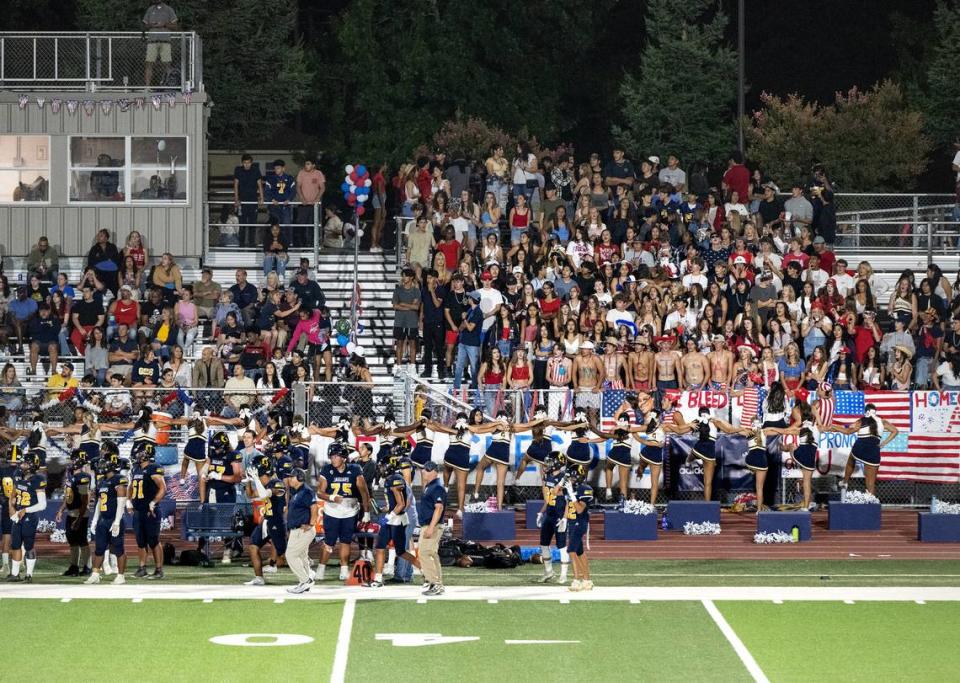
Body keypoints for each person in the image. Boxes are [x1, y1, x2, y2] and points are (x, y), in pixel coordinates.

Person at [316, 442, 371, 582]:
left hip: (350, 511)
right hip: (332, 511)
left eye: (336, 456)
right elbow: (319, 493)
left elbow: (364, 493)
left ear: (343, 457)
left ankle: (344, 569)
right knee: (329, 542)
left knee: (346, 541)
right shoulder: (326, 470)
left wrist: (367, 512)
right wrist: (332, 497)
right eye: (331, 456)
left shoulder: (355, 469)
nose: (333, 459)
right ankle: (321, 569)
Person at [370, 457, 421, 587]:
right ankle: (384, 577)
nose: (380, 469)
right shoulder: (390, 480)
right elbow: (395, 503)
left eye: (382, 466)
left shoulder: (396, 480)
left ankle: (417, 572)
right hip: (396, 517)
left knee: (401, 549)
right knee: (382, 546)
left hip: (403, 518)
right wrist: (385, 509)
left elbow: (403, 503)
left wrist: (388, 517)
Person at [832, 403, 899, 497]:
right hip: (873, 451)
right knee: (870, 483)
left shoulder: (861, 420)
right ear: (875, 412)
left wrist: (834, 426)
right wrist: (884, 443)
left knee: (851, 460)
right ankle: (871, 504)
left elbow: (848, 431)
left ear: (865, 411)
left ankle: (845, 481)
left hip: (860, 448)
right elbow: (895, 431)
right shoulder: (883, 421)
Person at [243, 454, 288, 586]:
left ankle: (307, 571)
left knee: (283, 557)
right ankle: (259, 578)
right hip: (266, 521)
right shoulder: (266, 484)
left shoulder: (277, 483)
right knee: (252, 547)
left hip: (277, 522)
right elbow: (251, 495)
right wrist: (248, 482)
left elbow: (263, 494)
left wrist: (255, 478)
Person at [84, 454, 128, 585]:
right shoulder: (101, 480)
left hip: (114, 520)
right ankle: (95, 574)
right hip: (103, 520)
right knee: (99, 548)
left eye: (104, 463)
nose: (101, 466)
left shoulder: (119, 479)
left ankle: (121, 576)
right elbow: (99, 502)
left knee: (118, 549)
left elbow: (122, 501)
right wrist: (95, 520)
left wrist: (117, 521)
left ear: (112, 465)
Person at [6, 452, 46, 583]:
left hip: (29, 516)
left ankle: (29, 575)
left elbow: (42, 505)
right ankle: (15, 574)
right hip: (18, 515)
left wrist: (26, 509)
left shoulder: (38, 479)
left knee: (29, 546)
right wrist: (11, 507)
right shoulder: (18, 475)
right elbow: (13, 492)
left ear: (32, 465)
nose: (21, 465)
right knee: (15, 544)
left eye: (25, 463)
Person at [129, 444, 166, 579]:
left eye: (139, 453)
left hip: (151, 511)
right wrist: (128, 501)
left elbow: (163, 488)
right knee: (140, 541)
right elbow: (131, 487)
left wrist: (153, 502)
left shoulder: (154, 468)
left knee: (153, 540)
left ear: (145, 454)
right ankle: (142, 568)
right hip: (138, 510)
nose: (137, 455)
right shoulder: (136, 469)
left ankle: (158, 570)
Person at [55, 450, 92, 577]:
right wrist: (61, 509)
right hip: (71, 512)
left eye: (72, 459)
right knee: (73, 541)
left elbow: (84, 499)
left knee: (82, 541)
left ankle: (88, 566)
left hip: (79, 513)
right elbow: (68, 496)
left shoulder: (83, 477)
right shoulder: (72, 476)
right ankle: (74, 566)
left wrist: (79, 517)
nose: (70, 462)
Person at [537, 454, 570, 584]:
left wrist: (565, 518)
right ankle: (549, 572)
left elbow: (570, 500)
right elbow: (548, 498)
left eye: (550, 462)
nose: (547, 465)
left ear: (557, 463)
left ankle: (563, 575)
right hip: (550, 514)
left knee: (561, 546)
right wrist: (541, 512)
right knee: (544, 544)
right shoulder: (548, 476)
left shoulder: (565, 478)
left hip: (560, 516)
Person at [284, 468, 318, 594]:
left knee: (291, 555)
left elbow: (314, 507)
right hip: (296, 530)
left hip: (303, 530)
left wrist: (311, 523)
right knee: (302, 556)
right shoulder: (297, 491)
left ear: (299, 478)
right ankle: (306, 580)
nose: (289, 479)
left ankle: (305, 580)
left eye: (292, 477)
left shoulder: (306, 491)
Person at [417, 461, 447, 596]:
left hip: (432, 525)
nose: (424, 472)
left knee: (424, 553)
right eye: (424, 469)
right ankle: (437, 583)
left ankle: (435, 584)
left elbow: (439, 508)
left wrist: (430, 527)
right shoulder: (430, 486)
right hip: (429, 524)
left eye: (428, 470)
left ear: (435, 472)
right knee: (432, 554)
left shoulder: (437, 487)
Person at [564, 463, 593, 592]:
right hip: (571, 522)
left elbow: (580, 509)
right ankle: (587, 580)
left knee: (571, 550)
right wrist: (564, 518)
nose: (571, 480)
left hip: (579, 522)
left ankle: (576, 580)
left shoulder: (585, 489)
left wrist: (572, 494)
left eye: (573, 477)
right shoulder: (570, 488)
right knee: (580, 552)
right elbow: (568, 504)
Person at [142, 1, 178, 87]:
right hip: (152, 41)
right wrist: (151, 25)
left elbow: (175, 26)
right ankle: (147, 87)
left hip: (165, 41)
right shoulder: (150, 10)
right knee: (149, 63)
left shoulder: (169, 9)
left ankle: (169, 85)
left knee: (167, 64)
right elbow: (145, 26)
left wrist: (164, 24)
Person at [263, 159, 296, 244]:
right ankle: (274, 243)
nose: (276, 170)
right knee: (274, 225)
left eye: (278, 168)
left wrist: (289, 199)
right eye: (275, 168)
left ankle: (287, 243)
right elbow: (267, 192)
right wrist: (272, 200)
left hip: (286, 207)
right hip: (274, 207)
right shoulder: (271, 179)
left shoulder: (289, 178)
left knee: (286, 225)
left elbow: (293, 191)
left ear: (283, 168)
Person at [295, 158, 326, 247]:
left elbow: (322, 188)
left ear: (313, 165)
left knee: (313, 225)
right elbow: (298, 187)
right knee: (301, 226)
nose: (306, 166)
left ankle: (312, 244)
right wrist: (302, 198)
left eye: (308, 164)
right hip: (303, 205)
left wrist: (317, 199)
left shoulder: (318, 173)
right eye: (305, 164)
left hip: (314, 205)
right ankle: (302, 245)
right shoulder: (301, 173)